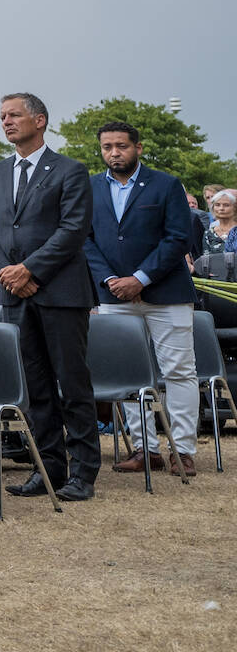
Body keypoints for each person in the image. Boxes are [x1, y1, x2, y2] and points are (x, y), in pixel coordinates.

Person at [0, 93, 98, 501]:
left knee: (72, 382)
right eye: (2, 116)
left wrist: (30, 270)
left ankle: (84, 472)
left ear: (40, 120)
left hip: (61, 292)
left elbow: (73, 229)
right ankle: (49, 468)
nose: (6, 122)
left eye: (14, 115)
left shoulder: (70, 171)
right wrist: (10, 277)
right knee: (36, 386)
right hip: (15, 295)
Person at [86, 121, 200, 477]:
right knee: (129, 373)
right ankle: (144, 448)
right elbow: (84, 240)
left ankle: (182, 450)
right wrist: (109, 279)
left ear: (138, 146)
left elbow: (178, 238)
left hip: (166, 293)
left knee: (179, 372)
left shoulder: (166, 185)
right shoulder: (89, 188)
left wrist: (140, 278)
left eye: (121, 146)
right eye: (107, 147)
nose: (114, 153)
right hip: (113, 295)